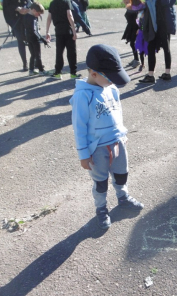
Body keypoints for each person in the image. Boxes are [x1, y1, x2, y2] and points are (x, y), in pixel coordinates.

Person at [70, 44, 144, 230]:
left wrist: (122, 132)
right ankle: (101, 209)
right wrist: (83, 154)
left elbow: (117, 112)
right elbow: (79, 127)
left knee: (121, 175)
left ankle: (123, 197)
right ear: (94, 73)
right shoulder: (82, 96)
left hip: (118, 143)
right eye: (110, 77)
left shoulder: (111, 89)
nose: (113, 82)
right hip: (97, 150)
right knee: (100, 182)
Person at [139, 0, 177, 83]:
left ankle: (150, 75)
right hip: (165, 26)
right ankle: (167, 73)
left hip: (155, 27)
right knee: (166, 49)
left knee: (151, 49)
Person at [46, 0, 81, 80]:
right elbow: (69, 15)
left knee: (59, 52)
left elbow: (49, 18)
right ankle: (73, 72)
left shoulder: (52, 3)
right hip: (68, 30)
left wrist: (47, 31)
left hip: (58, 31)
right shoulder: (66, 2)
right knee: (71, 52)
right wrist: (74, 31)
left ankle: (57, 72)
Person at [23, 1, 50, 76]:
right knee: (38, 55)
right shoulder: (33, 18)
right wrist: (42, 39)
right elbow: (35, 31)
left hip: (28, 38)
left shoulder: (25, 16)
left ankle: (31, 70)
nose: (38, 15)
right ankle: (41, 70)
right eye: (38, 13)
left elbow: (25, 28)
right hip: (35, 39)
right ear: (34, 10)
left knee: (33, 55)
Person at [2, 0, 29, 70]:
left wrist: (27, 7)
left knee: (32, 39)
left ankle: (35, 61)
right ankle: (25, 63)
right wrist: (17, 8)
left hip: (28, 17)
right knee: (20, 40)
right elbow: (5, 6)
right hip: (15, 19)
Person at [122, 0, 145, 68]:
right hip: (131, 26)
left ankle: (138, 61)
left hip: (136, 27)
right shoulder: (131, 6)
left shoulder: (138, 6)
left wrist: (140, 28)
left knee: (135, 43)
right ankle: (136, 59)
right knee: (132, 43)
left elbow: (140, 17)